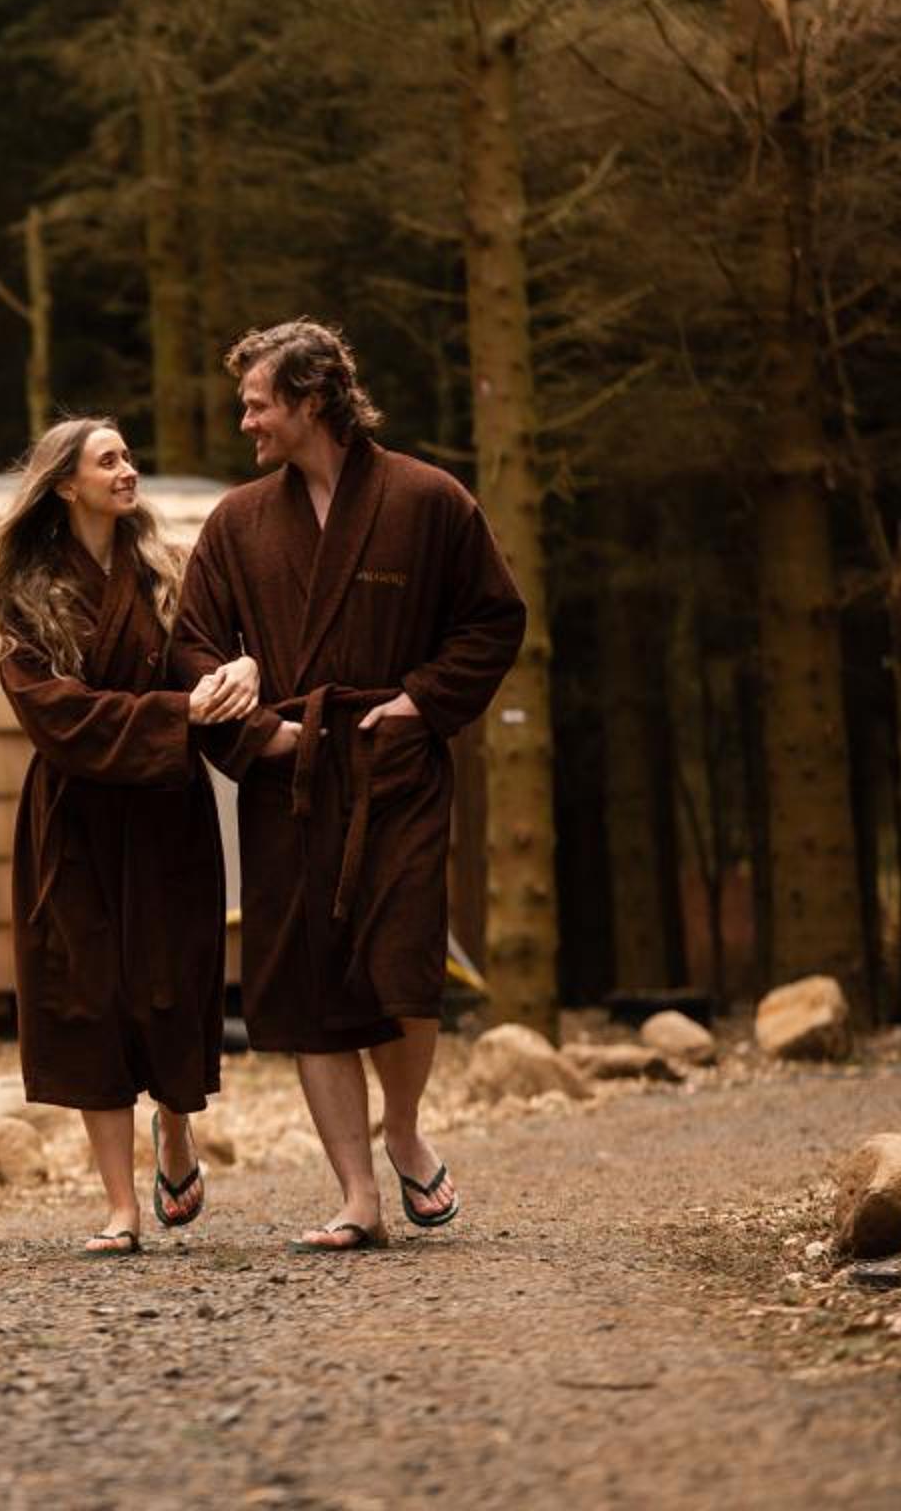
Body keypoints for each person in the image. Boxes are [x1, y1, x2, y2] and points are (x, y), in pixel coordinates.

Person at [175, 320, 526, 1252]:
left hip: (392, 769)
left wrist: (419, 703)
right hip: (289, 778)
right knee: (307, 987)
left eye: (258, 403)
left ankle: (402, 1128)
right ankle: (356, 1194)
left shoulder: (427, 500)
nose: (246, 421)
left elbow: (493, 619)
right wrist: (261, 731)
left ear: (311, 399)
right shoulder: (238, 521)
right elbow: (191, 647)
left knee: (404, 968)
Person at [0, 416, 260, 1256]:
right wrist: (178, 713)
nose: (129, 470)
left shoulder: (168, 573)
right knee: (88, 999)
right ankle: (120, 1207)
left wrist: (240, 670)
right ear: (67, 484)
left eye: (130, 456)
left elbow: (212, 658)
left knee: (168, 985)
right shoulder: (26, 596)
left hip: (167, 813)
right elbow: (55, 715)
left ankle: (174, 1123)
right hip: (76, 821)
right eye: (109, 461)